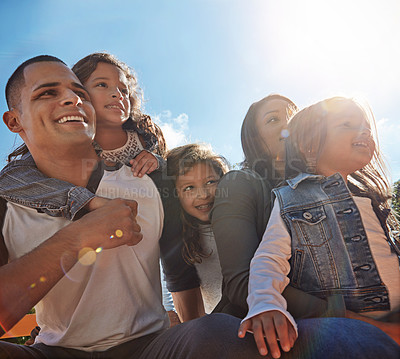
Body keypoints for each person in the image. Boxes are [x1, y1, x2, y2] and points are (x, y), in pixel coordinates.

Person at [0, 55, 263, 358]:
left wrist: (195, 333)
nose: (72, 99)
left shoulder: (149, 177)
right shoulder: (10, 196)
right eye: (48, 92)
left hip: (148, 346)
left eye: (79, 93)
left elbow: (178, 270)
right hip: (54, 349)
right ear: (14, 121)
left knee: (219, 333)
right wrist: (79, 236)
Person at [0, 52, 184, 324]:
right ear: (15, 121)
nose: (117, 95)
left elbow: (177, 259)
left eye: (123, 90)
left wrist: (156, 160)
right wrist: (85, 214)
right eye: (101, 86)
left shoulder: (144, 151)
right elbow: (12, 179)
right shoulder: (21, 180)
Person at [239, 96, 400, 357]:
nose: (364, 131)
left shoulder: (370, 200)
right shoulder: (291, 199)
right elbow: (269, 258)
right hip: (345, 328)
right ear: (308, 144)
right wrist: (267, 305)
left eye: (366, 127)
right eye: (347, 124)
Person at [211, 94, 329, 319]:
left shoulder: (324, 185)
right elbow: (242, 283)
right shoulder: (240, 183)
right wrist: (346, 316)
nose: (289, 123)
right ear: (255, 139)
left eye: (293, 116)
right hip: (254, 328)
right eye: (273, 119)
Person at [165, 143, 229, 318]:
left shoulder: (242, 222)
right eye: (189, 188)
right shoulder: (179, 241)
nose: (203, 194)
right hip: (217, 326)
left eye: (210, 182)